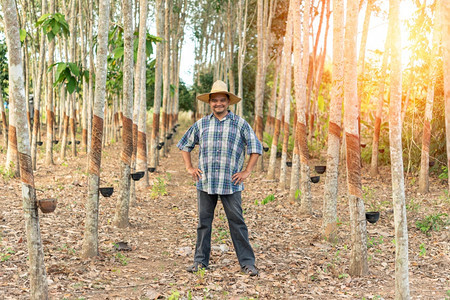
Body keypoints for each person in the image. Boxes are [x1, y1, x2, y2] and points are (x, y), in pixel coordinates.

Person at [177, 80, 262, 276]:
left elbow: (255, 148)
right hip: (205, 182)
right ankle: (200, 262)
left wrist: (246, 171)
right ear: (210, 103)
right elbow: (184, 145)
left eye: (222, 100)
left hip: (230, 183)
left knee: (237, 222)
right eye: (214, 100)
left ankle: (247, 263)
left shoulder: (240, 124)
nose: (218, 104)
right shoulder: (201, 124)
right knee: (203, 223)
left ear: (228, 102)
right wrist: (189, 167)